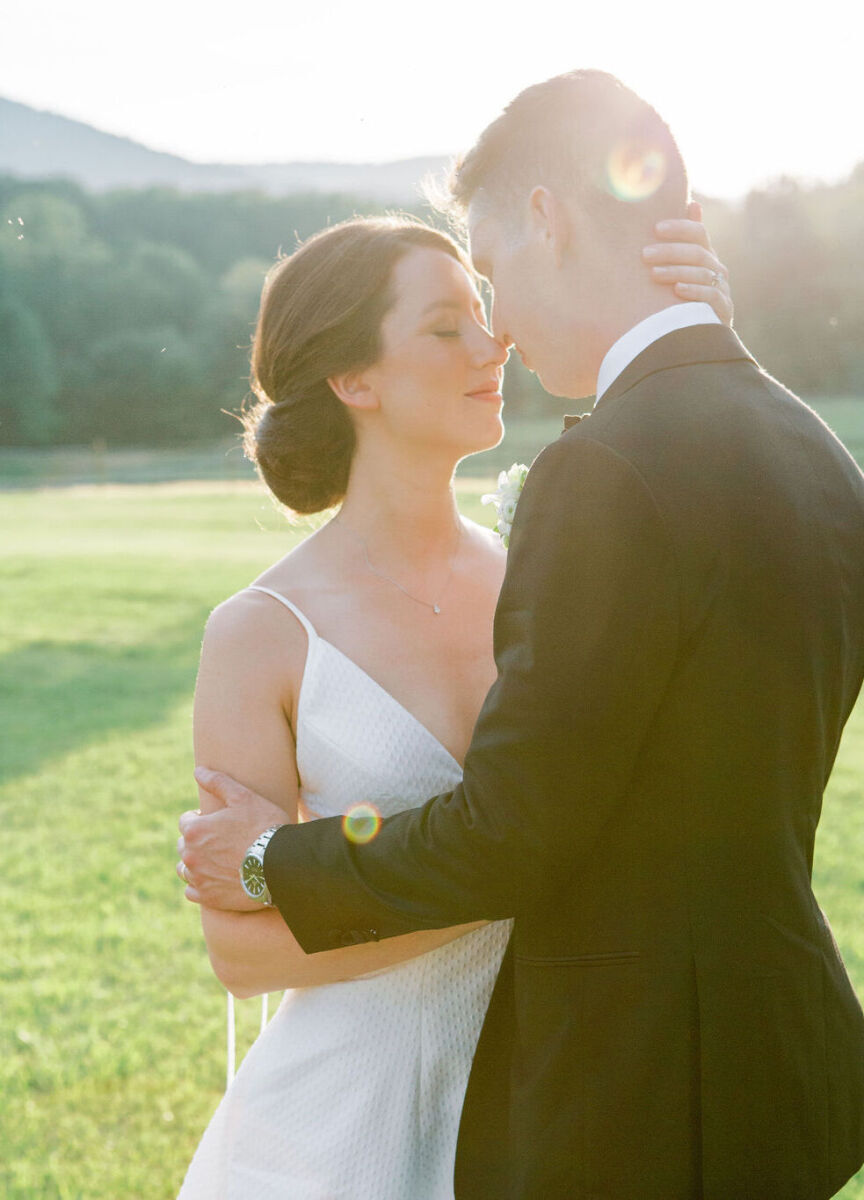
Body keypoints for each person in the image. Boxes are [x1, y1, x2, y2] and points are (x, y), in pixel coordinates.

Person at [181, 70, 864, 1198]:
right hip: (667, 1080)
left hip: (607, 1096)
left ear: (546, 217)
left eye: (485, 279)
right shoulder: (814, 462)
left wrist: (271, 855)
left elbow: (523, 830)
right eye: (451, 318)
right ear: (351, 377)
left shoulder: (603, 485)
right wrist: (701, 347)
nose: (495, 332)